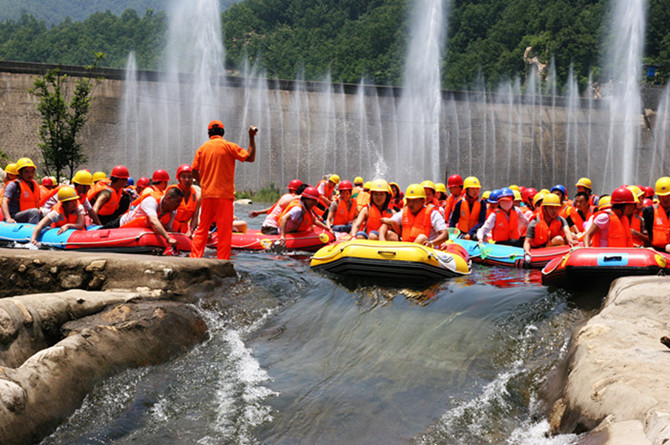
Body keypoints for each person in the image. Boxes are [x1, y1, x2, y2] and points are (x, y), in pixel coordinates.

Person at [190, 120, 257, 260]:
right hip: (224, 196)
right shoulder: (228, 146)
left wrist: (203, 182)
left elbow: (194, 171)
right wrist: (251, 136)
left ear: (209, 133)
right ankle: (222, 261)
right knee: (224, 232)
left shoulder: (202, 149)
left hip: (207, 195)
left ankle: (195, 258)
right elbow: (250, 158)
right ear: (223, 132)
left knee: (202, 229)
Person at [380, 184, 448, 247]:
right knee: (389, 234)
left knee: (422, 237)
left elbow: (445, 234)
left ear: (423, 201)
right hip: (406, 249)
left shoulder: (433, 214)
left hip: (425, 250)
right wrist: (382, 238)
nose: (410, 204)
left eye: (414, 201)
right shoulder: (404, 212)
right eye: (409, 200)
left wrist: (432, 243)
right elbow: (385, 224)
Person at [118, 186, 184, 248]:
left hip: (143, 231)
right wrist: (168, 238)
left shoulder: (173, 211)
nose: (179, 205)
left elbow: (168, 229)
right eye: (177, 202)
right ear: (168, 198)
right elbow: (153, 221)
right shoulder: (151, 201)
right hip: (122, 224)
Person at [1, 157, 42, 224]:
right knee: (34, 212)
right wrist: (8, 218)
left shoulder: (35, 185)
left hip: (31, 215)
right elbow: (4, 201)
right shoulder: (14, 185)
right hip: (15, 216)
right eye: (26, 171)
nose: (30, 174)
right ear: (20, 172)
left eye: (32, 171)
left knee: (47, 214)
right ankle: (31, 232)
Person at [168, 164, 200, 237]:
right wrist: (168, 226)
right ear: (179, 179)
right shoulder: (172, 192)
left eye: (189, 177)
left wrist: (191, 231)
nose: (187, 180)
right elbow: (163, 211)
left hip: (184, 231)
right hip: (170, 228)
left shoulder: (196, 196)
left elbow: (195, 217)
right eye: (183, 177)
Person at [643, 176, 670, 253]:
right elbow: (647, 231)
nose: (665, 199)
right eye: (662, 196)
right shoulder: (649, 211)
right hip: (657, 251)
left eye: (668, 196)